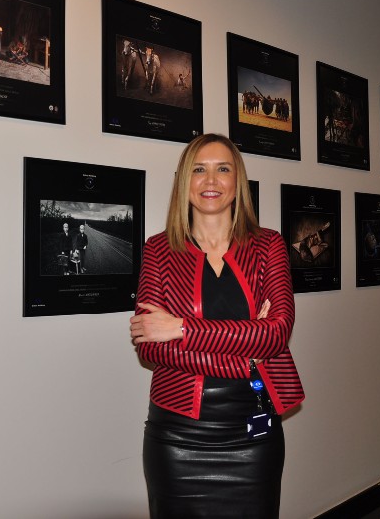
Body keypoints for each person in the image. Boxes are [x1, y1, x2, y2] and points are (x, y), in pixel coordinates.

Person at [129, 133, 304, 518]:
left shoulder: (269, 245)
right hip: (177, 437)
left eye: (222, 169)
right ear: (184, 182)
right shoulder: (157, 250)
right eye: (198, 170)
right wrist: (247, 351)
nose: (211, 181)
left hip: (254, 435)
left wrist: (181, 330)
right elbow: (150, 347)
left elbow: (276, 333)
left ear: (236, 180)